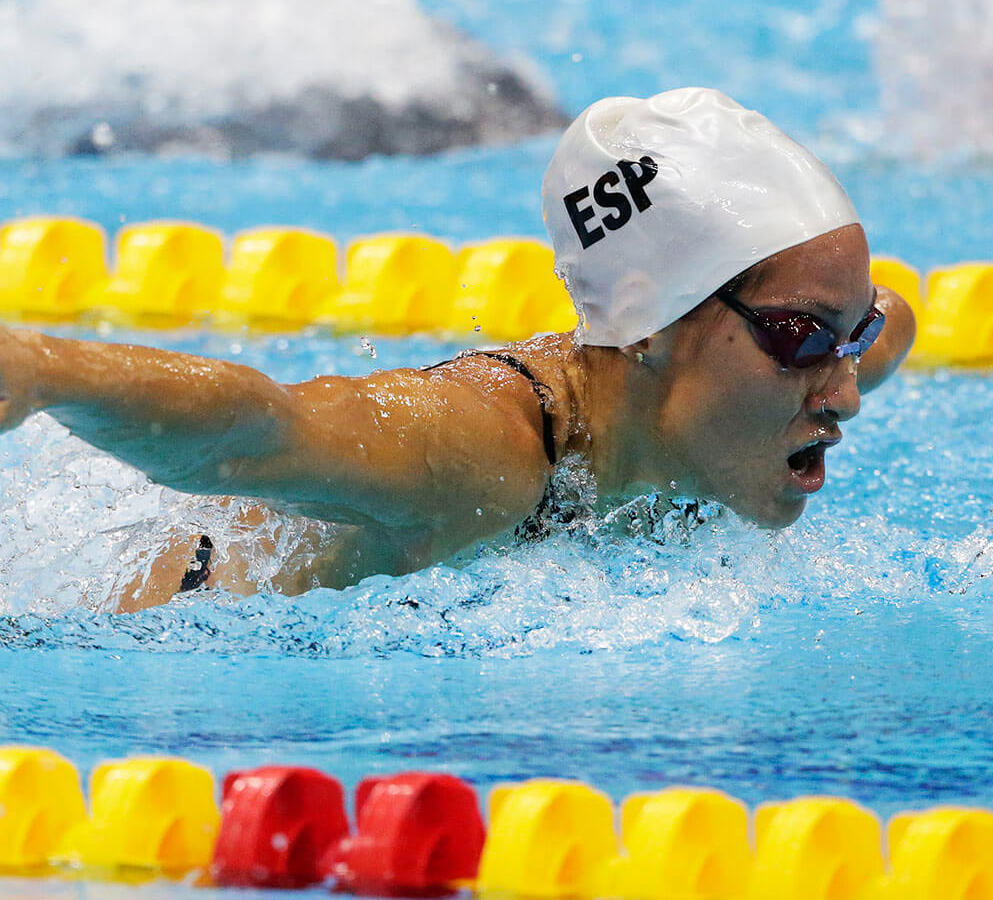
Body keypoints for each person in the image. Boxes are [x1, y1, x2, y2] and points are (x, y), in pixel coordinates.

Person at [0, 88, 915, 611]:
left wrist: (840, 327)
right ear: (648, 331)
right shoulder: (487, 454)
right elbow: (256, 428)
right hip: (134, 629)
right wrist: (43, 369)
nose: (844, 393)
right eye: (802, 339)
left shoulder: (758, 387)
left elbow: (896, 318)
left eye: (852, 335)